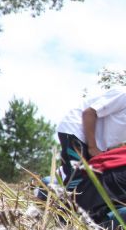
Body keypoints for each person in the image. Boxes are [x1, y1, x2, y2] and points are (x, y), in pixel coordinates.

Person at [53, 87, 126, 222]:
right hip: (76, 130)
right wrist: (92, 147)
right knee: (76, 174)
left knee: (87, 178)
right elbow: (89, 113)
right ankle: (61, 216)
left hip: (97, 143)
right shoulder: (123, 95)